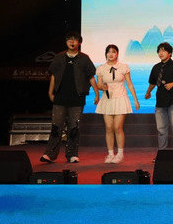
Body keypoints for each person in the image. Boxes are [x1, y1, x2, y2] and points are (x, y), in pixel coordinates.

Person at [40, 31, 99, 164]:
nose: (72, 42)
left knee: (74, 128)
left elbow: (91, 77)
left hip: (77, 98)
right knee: (56, 126)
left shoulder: (84, 58)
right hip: (60, 97)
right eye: (69, 39)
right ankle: (49, 154)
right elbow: (53, 76)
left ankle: (72, 154)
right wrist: (50, 92)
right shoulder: (59, 57)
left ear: (79, 42)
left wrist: (96, 93)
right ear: (66, 42)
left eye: (75, 39)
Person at [95, 44, 140, 164]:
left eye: (113, 52)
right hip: (107, 99)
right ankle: (110, 154)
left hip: (120, 98)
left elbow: (129, 84)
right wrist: (102, 87)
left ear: (117, 54)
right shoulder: (101, 68)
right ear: (106, 54)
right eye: (108, 52)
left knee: (117, 127)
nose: (111, 54)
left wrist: (135, 99)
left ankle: (120, 154)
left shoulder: (123, 67)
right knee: (109, 128)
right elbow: (99, 85)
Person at [145, 42, 173, 152]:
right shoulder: (156, 67)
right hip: (160, 102)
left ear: (170, 53)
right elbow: (153, 83)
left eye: (163, 51)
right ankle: (162, 153)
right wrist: (148, 92)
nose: (161, 53)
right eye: (159, 51)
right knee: (161, 129)